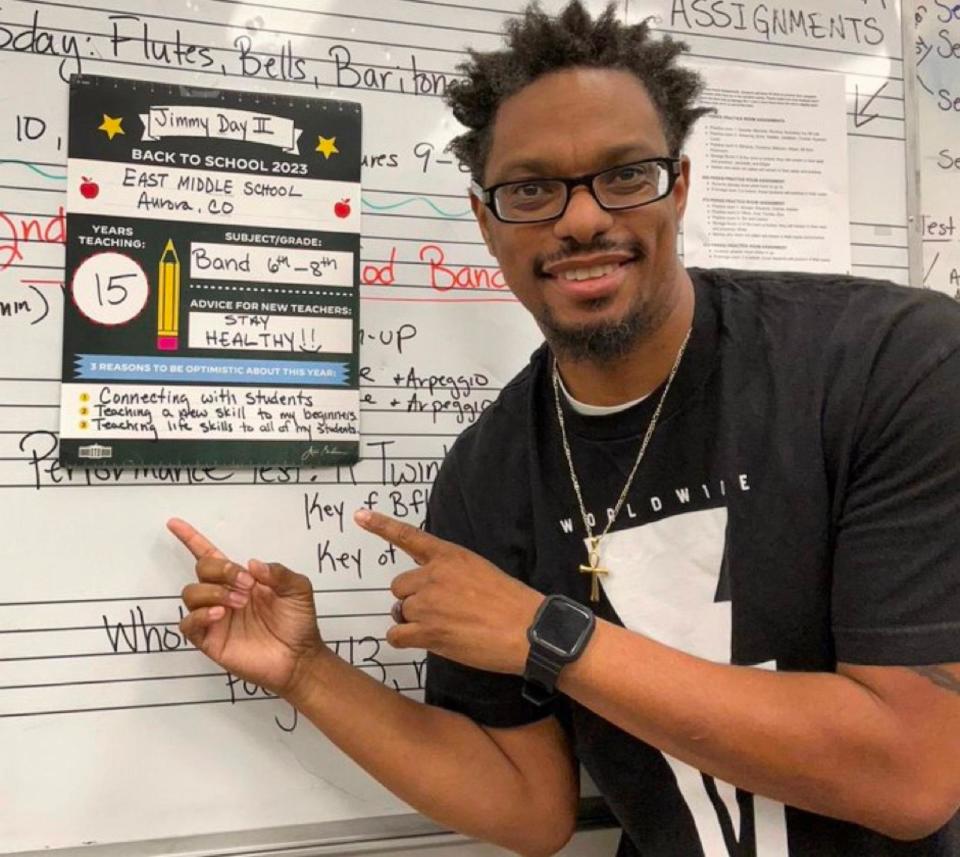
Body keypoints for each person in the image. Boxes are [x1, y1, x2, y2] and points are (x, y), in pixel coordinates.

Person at [171, 3, 960, 855]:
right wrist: (307, 671)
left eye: (624, 175)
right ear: (486, 220)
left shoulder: (890, 363)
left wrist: (552, 636)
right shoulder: (489, 472)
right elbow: (531, 805)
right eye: (532, 189)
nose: (581, 220)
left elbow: (912, 772)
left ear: (679, 186)